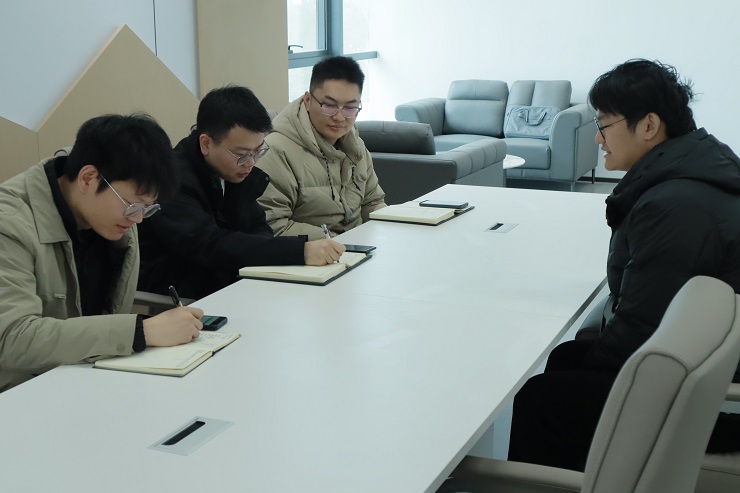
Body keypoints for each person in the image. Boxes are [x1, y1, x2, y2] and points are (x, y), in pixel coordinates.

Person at [507, 59, 740, 471]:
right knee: (567, 358)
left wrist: (595, 360)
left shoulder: (676, 205)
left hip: (683, 380)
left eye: (604, 125)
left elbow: (643, 325)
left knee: (542, 398)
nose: (598, 138)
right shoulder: (694, 170)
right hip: (698, 355)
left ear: (648, 125)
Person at [0, 114, 204, 393]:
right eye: (134, 206)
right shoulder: (9, 225)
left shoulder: (113, 217)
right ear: (88, 178)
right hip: (20, 394)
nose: (138, 219)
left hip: (86, 379)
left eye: (148, 208)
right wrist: (140, 331)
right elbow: (12, 338)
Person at [137, 86, 345, 300]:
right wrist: (299, 251)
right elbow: (210, 245)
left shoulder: (231, 172)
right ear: (206, 143)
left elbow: (259, 229)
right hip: (181, 299)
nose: (251, 163)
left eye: (258, 151)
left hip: (230, 287)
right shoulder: (171, 182)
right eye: (242, 154)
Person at [257, 56, 386, 239]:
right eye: (329, 105)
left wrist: (390, 226)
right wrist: (332, 241)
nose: (339, 117)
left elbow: (373, 202)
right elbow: (273, 226)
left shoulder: (355, 146)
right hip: (311, 253)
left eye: (350, 108)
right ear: (308, 100)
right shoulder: (275, 151)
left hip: (357, 248)